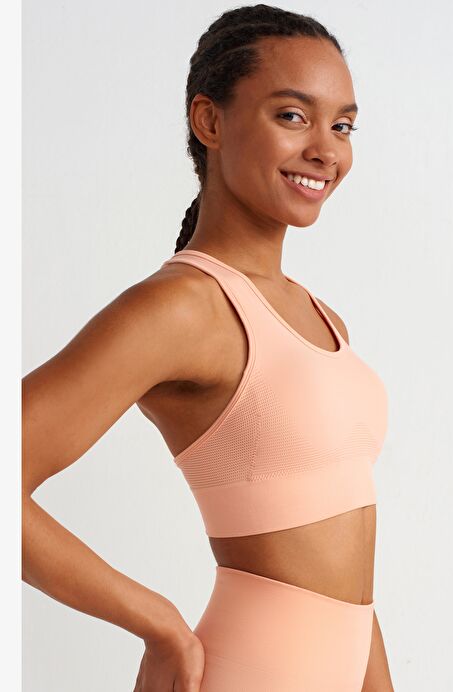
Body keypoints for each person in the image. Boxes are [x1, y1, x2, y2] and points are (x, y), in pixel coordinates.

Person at [22, 4, 394, 691]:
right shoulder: (184, 308)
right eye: (293, 116)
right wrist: (156, 622)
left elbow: (349, 578)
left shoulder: (321, 318)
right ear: (210, 121)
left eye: (342, 125)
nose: (326, 149)